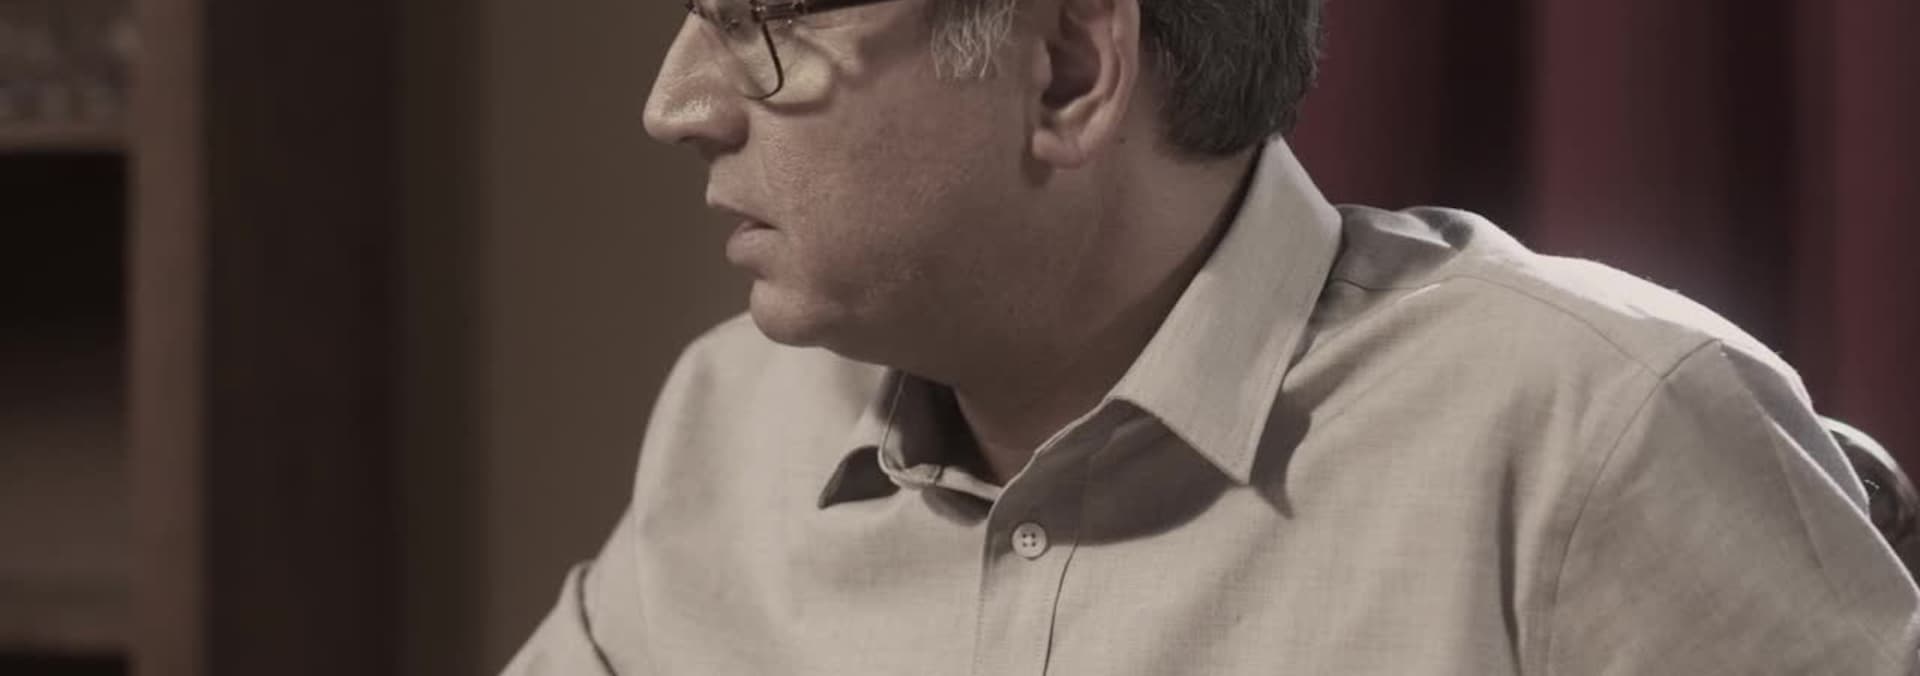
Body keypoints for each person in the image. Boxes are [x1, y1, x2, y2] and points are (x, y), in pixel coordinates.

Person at [505, 0, 1920, 672]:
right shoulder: (730, 424)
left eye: (765, 21)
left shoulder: (1595, 438)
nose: (676, 102)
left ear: (1069, 72)